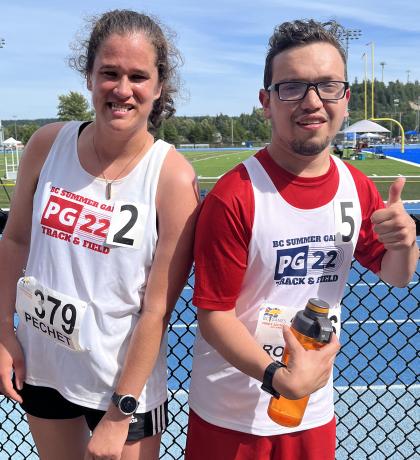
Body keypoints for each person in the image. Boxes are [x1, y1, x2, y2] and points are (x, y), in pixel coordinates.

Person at [185, 19, 417, 460]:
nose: (312, 102)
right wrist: (276, 375)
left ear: (346, 99)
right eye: (291, 87)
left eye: (328, 86)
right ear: (266, 102)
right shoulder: (235, 196)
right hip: (231, 414)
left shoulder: (356, 186)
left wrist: (406, 245)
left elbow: (397, 277)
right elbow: (214, 316)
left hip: (311, 407)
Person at [0, 9, 199, 460]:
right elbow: (13, 241)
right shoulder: (47, 145)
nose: (122, 89)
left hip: (121, 386)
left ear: (159, 86)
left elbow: (157, 310)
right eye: (109, 73)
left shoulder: (170, 178)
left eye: (137, 76)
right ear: (89, 76)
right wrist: (3, 333)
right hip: (44, 366)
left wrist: (120, 412)